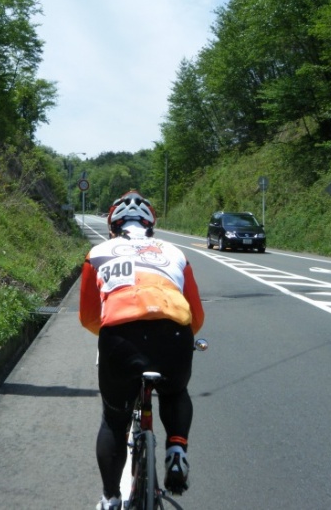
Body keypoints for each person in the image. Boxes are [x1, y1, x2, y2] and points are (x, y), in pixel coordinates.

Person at [79, 190, 205, 510]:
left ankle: (110, 499)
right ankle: (176, 450)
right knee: (175, 392)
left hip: (120, 340)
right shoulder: (174, 252)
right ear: (150, 226)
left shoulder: (98, 252)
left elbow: (89, 317)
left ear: (113, 226)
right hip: (174, 334)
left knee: (114, 420)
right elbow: (196, 316)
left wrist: (114, 337)